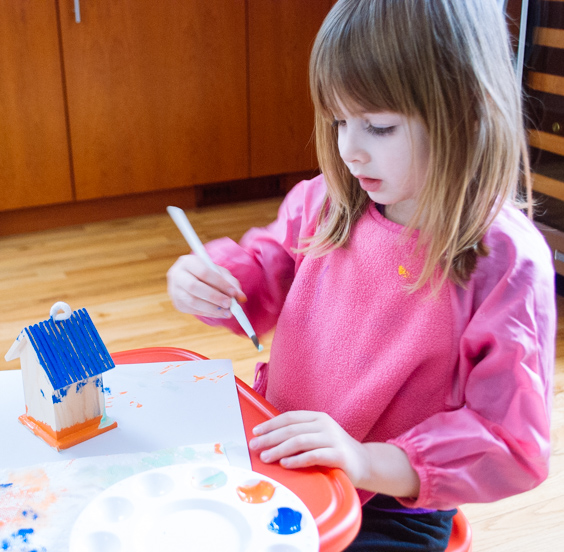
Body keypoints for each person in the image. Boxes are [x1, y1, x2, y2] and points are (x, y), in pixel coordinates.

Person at [166, 0, 556, 549]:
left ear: (466, 110)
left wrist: (363, 460)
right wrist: (210, 284)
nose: (349, 150)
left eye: (378, 126)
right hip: (284, 452)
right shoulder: (323, 202)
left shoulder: (505, 261)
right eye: (339, 121)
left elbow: (509, 442)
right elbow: (262, 274)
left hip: (391, 499)